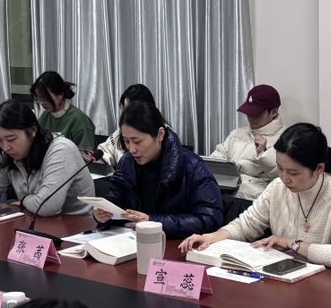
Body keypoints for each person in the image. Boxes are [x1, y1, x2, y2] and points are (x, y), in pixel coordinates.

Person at [180, 123, 331, 270]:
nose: (285, 178)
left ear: (319, 169)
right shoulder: (277, 188)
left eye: (293, 173)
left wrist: (292, 244)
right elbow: (246, 225)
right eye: (280, 168)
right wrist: (212, 237)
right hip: (293, 275)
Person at [93, 101, 223, 239]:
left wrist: (153, 222)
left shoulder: (192, 166)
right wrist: (103, 213)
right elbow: (117, 198)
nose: (131, 149)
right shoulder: (128, 162)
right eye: (126, 141)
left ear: (160, 134)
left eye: (137, 142)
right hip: (132, 241)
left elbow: (210, 219)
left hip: (177, 245)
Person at [0, 100, 94, 217]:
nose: (5, 147)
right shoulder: (10, 154)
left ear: (32, 130)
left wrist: (23, 200)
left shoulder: (60, 150)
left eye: (11, 139)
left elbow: (47, 206)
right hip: (35, 222)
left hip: (77, 229)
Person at [209, 84, 286, 200]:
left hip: (256, 201)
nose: (251, 117)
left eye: (257, 114)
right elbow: (217, 157)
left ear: (274, 112)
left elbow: (283, 175)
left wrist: (264, 153)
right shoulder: (236, 134)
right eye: (249, 112)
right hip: (226, 193)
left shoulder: (287, 138)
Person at [31, 71, 96, 149]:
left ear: (60, 94)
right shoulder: (45, 116)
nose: (42, 103)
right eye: (38, 99)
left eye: (45, 98)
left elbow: (87, 154)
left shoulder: (79, 120)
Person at [98, 83, 155, 168]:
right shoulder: (123, 130)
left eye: (137, 141)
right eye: (125, 110)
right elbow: (106, 151)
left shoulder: (159, 132)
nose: (128, 115)